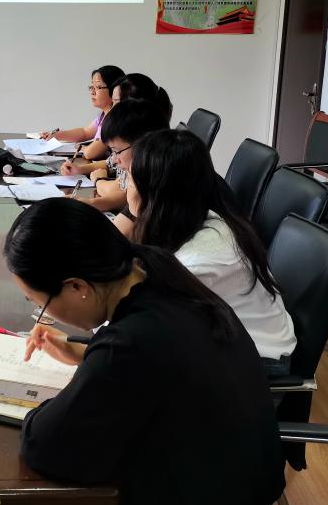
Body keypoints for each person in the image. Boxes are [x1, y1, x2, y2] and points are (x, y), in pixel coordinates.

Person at [4, 198, 284, 505]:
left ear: (77, 287)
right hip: (236, 490)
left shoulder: (129, 344)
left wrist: (61, 398)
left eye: (40, 303)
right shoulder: (161, 275)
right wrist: (87, 353)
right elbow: (153, 361)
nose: (45, 314)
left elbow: (45, 446)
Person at [116, 129, 296, 372]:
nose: (126, 187)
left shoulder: (197, 265)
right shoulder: (195, 217)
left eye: (129, 178)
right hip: (235, 338)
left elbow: (143, 327)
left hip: (259, 362)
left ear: (153, 193)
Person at [63, 99, 168, 212]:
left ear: (143, 146)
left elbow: (123, 196)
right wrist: (80, 171)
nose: (113, 159)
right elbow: (124, 198)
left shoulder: (156, 178)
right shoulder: (133, 166)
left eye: (117, 151)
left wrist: (99, 180)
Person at [39, 65, 124, 163]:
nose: (92, 92)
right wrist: (56, 135)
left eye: (98, 87)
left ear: (114, 90)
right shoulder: (103, 116)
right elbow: (84, 133)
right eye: (91, 87)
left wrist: (82, 148)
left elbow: (91, 153)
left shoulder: (115, 120)